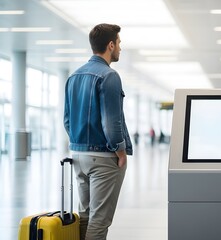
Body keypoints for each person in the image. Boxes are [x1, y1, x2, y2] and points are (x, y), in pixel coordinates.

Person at [63, 23, 132, 240]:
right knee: (100, 220)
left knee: (84, 215)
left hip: (79, 155)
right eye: (119, 43)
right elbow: (111, 122)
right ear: (110, 45)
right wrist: (120, 152)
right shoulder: (109, 76)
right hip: (103, 157)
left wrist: (79, 144)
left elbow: (67, 120)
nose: (120, 47)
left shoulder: (73, 77)